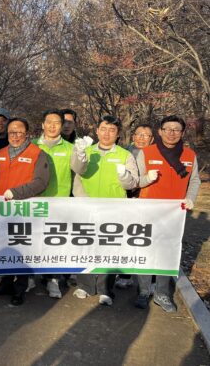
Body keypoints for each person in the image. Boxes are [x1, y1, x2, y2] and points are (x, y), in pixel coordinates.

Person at [72, 115, 139, 306]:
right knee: (84, 246)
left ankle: (105, 289)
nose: (107, 133)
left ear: (118, 134)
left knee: (109, 249)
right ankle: (84, 285)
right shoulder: (87, 150)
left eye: (112, 130)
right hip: (87, 208)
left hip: (114, 210)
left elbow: (132, 183)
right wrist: (80, 154)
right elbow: (77, 170)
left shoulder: (125, 155)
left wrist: (124, 175)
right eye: (103, 128)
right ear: (97, 130)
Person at [135, 115, 201, 312]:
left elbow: (195, 180)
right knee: (145, 251)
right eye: (168, 129)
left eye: (176, 130)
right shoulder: (146, 153)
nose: (172, 133)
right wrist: (146, 179)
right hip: (147, 210)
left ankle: (161, 293)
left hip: (174, 214)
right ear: (160, 131)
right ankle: (144, 290)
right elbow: (136, 180)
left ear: (182, 133)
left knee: (166, 253)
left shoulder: (189, 155)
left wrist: (190, 198)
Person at [0, 117, 50, 306]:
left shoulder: (37, 154)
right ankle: (5, 283)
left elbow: (41, 182)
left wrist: (16, 193)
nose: (15, 136)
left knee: (22, 249)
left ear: (27, 134)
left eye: (19, 132)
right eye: (11, 133)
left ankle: (20, 288)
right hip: (2, 210)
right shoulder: (1, 152)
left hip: (24, 209)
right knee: (4, 248)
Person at [32, 109, 86, 299]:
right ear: (42, 124)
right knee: (32, 240)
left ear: (62, 126)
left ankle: (52, 279)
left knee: (53, 242)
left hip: (59, 203)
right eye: (49, 122)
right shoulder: (32, 146)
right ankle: (30, 275)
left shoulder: (70, 148)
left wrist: (81, 154)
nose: (53, 126)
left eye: (57, 122)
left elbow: (80, 170)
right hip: (34, 202)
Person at [115, 123, 155, 290]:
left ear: (152, 139)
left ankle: (151, 280)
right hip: (128, 199)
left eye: (146, 135)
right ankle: (125, 275)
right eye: (139, 134)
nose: (141, 138)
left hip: (149, 200)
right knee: (127, 237)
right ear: (133, 136)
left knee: (148, 239)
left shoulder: (156, 154)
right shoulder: (124, 152)